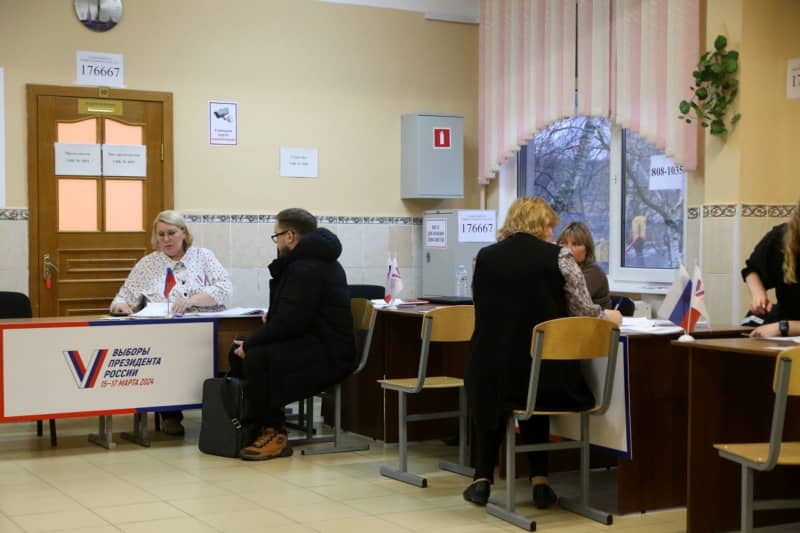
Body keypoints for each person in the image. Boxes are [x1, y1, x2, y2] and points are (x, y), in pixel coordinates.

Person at [462, 197, 622, 508]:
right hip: (548, 378)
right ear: (538, 225)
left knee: (500, 392)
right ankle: (540, 480)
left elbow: (480, 303)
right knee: (534, 384)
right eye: (549, 226)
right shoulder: (560, 257)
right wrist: (609, 317)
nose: (552, 232)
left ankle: (482, 478)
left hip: (490, 370)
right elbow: (582, 310)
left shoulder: (483, 257)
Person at [230, 208, 356, 461]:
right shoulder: (306, 263)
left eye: (276, 236)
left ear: (290, 236)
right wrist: (263, 330)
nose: (275, 242)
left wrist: (254, 343)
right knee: (239, 350)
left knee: (256, 357)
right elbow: (295, 316)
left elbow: (292, 322)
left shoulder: (306, 268)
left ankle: (274, 432)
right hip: (313, 342)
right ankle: (256, 424)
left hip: (330, 353)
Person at [110, 210, 232, 435]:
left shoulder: (203, 256)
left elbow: (224, 288)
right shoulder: (148, 264)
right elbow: (122, 297)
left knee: (225, 353)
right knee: (166, 356)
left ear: (183, 233)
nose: (166, 239)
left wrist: (190, 301)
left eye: (171, 233)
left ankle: (220, 413)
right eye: (161, 234)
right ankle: (171, 415)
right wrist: (121, 306)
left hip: (207, 328)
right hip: (168, 333)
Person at [742, 200, 800, 328]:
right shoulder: (782, 237)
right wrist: (758, 294)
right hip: (785, 317)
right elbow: (752, 269)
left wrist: (783, 328)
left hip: (785, 327)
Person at [556, 221, 611, 309]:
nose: (568, 249)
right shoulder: (560, 268)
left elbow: (568, 301)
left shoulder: (594, 273)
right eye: (563, 243)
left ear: (587, 250)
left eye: (575, 244)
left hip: (593, 322)